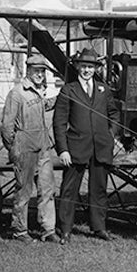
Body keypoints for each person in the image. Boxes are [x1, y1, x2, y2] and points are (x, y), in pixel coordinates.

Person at [53, 48, 122, 243]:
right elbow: (59, 122)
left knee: (99, 188)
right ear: (77, 67)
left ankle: (99, 227)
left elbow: (114, 114)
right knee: (69, 189)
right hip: (76, 148)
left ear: (95, 69)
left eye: (90, 67)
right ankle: (65, 228)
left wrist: (110, 135)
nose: (87, 70)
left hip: (101, 147)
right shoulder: (69, 89)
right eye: (83, 66)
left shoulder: (103, 89)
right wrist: (63, 149)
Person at [0, 55, 59, 244]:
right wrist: (14, 148)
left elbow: (44, 105)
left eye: (42, 71)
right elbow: (6, 126)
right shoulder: (17, 93)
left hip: (43, 147)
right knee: (24, 191)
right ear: (28, 71)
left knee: (47, 189)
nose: (40, 74)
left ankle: (48, 230)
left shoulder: (39, 92)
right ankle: (19, 230)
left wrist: (61, 97)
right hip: (24, 147)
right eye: (36, 71)